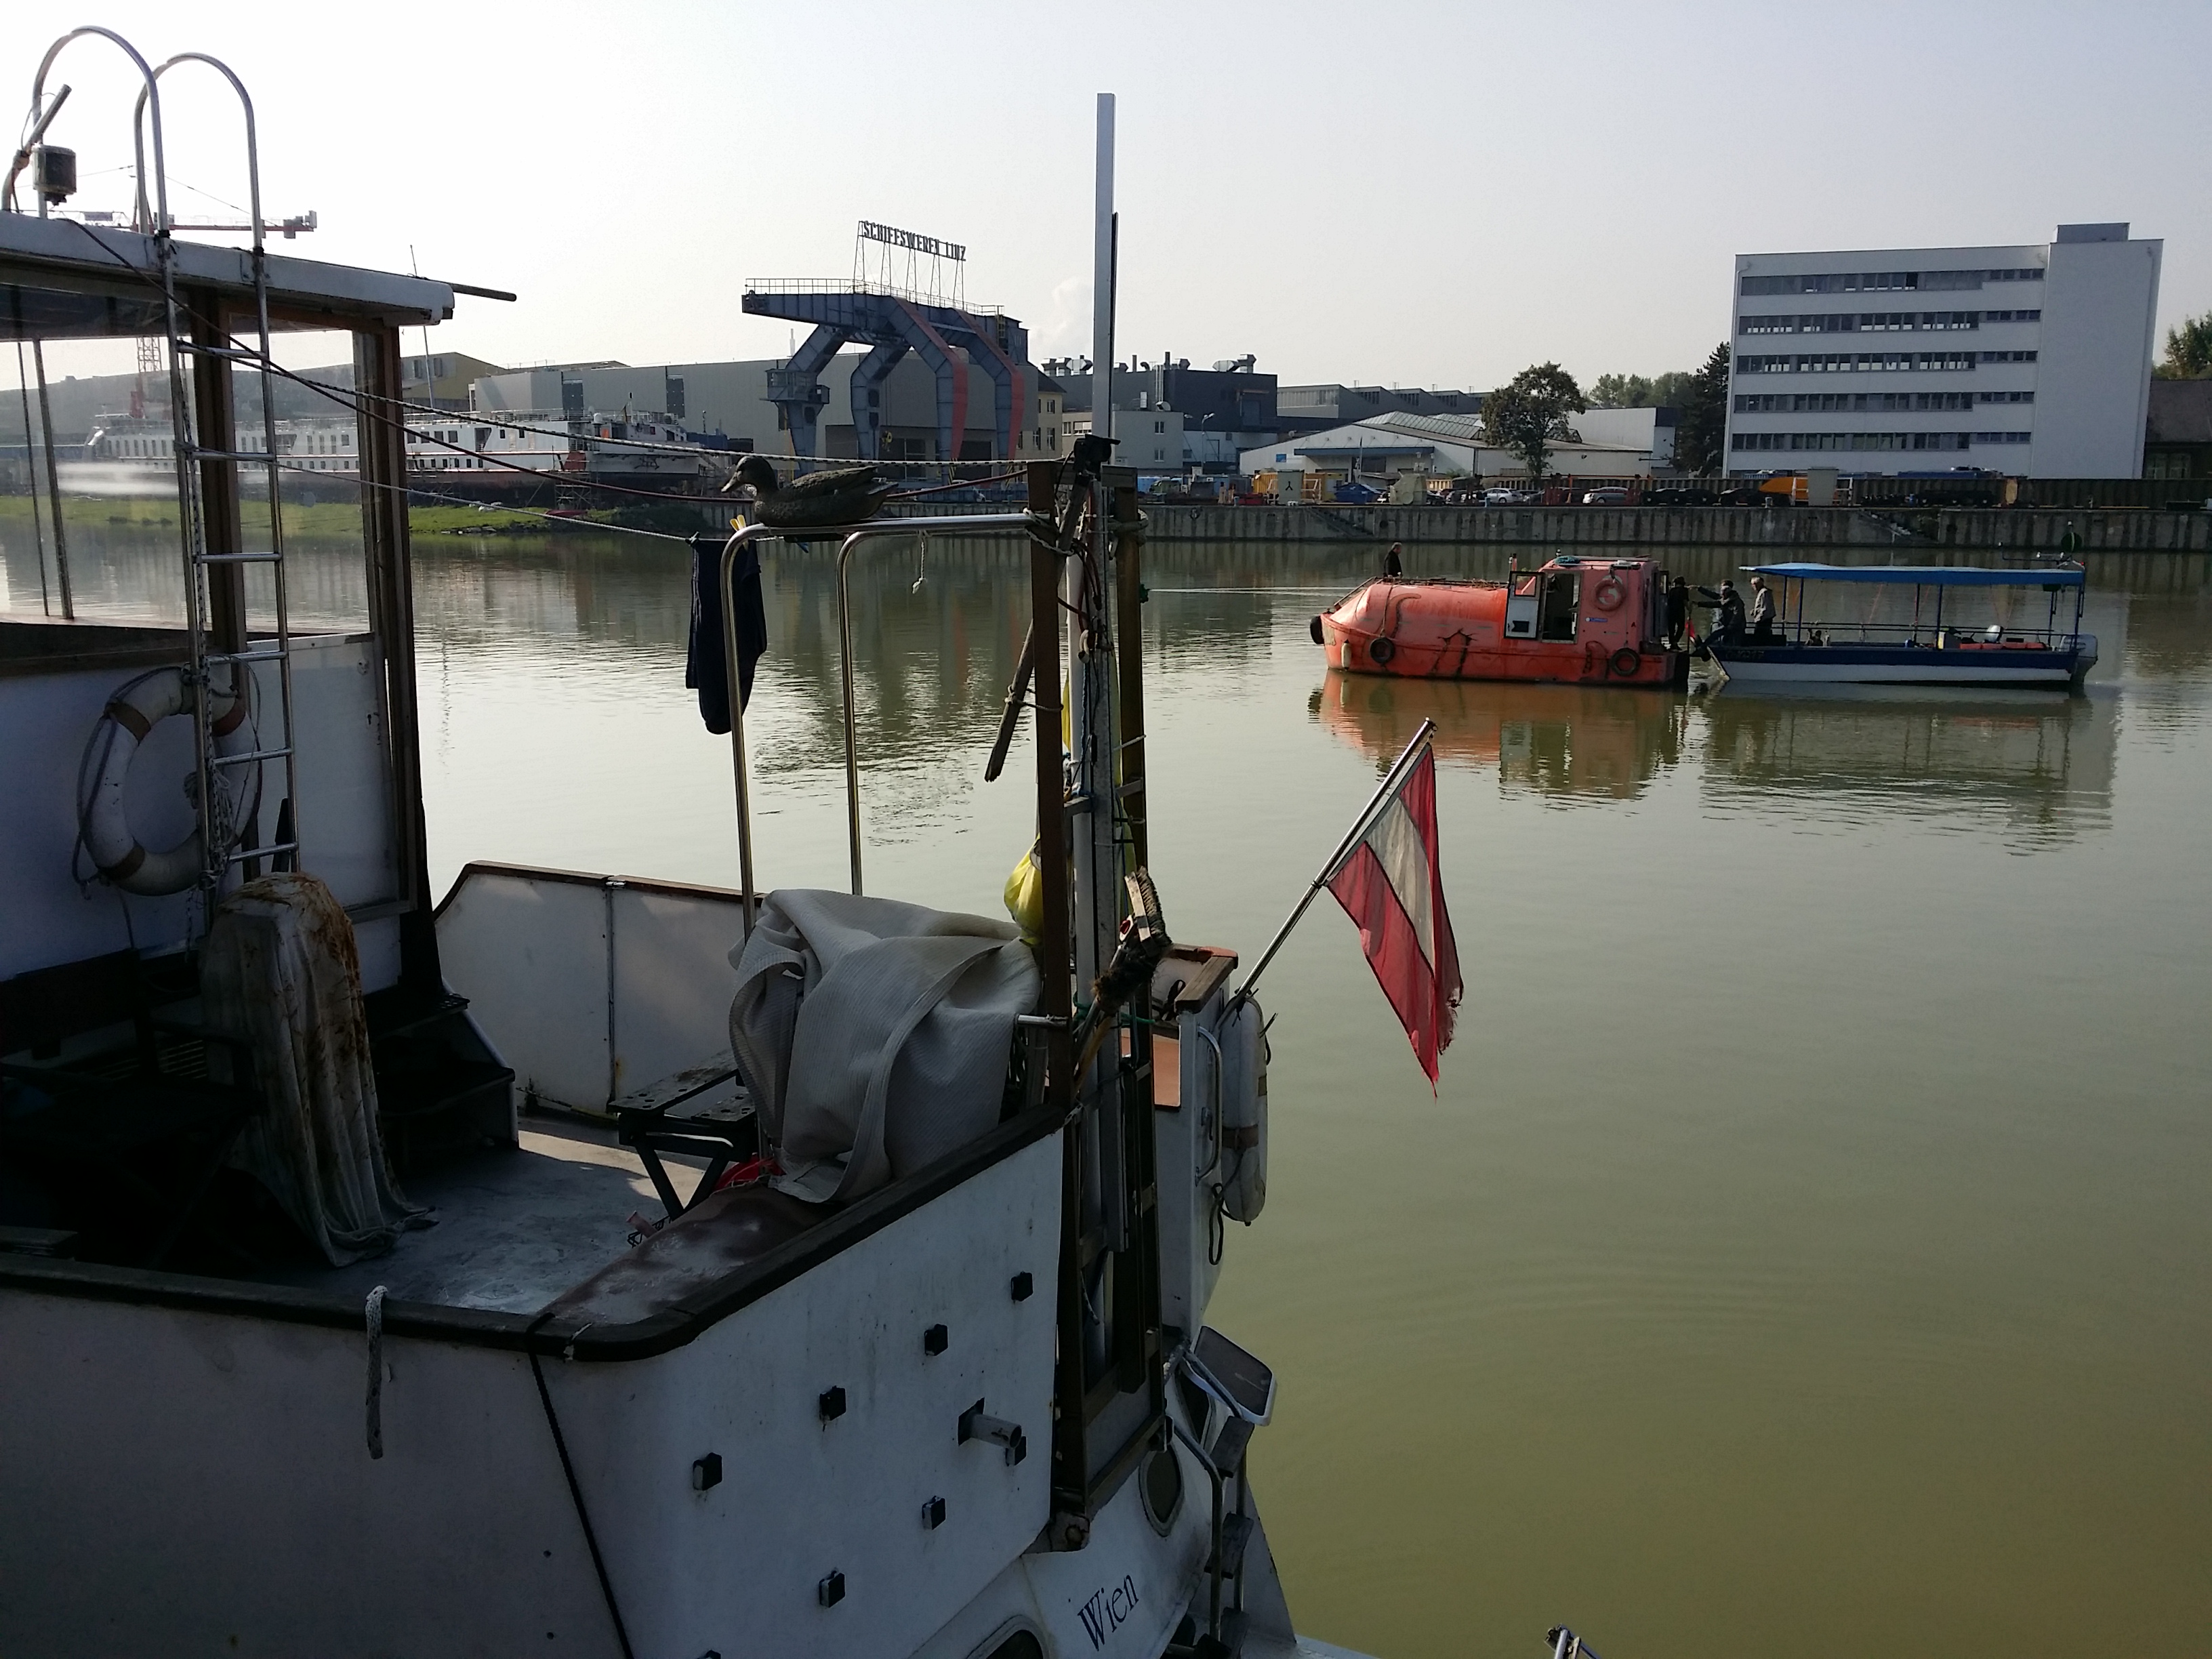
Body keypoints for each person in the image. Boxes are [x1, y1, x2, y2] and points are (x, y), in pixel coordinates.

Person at [1748, 574, 1778, 641]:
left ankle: (1761, 649)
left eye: (1754, 584)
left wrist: (1759, 618)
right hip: (1763, 618)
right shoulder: (1762, 592)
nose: (1753, 586)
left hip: (1764, 619)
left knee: (1761, 636)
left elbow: (1765, 607)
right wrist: (1755, 611)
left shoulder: (1764, 592)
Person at [1664, 575, 1690, 649]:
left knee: (1671, 628)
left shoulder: (1672, 590)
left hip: (1670, 611)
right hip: (1680, 611)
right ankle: (1675, 642)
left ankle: (1672, 643)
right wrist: (1689, 609)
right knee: (1681, 628)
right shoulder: (1684, 590)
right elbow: (1685, 601)